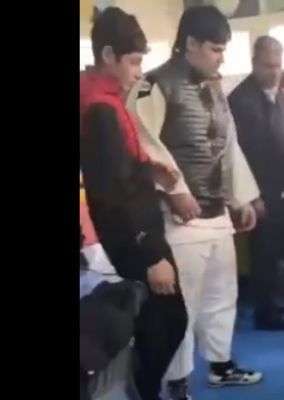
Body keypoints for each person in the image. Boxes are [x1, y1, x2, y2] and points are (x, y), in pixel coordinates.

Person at [130, 6, 263, 397]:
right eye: (215, 49)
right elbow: (142, 142)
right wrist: (176, 190)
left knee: (222, 295)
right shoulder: (155, 85)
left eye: (223, 50)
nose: (221, 58)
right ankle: (177, 382)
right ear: (190, 43)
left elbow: (228, 145)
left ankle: (221, 365)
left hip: (217, 213)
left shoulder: (215, 88)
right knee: (182, 304)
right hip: (180, 218)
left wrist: (241, 198)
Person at [79, 7, 187, 400]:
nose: (139, 72)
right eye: (134, 62)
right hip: (136, 238)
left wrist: (147, 168)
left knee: (163, 323)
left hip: (134, 232)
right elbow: (114, 194)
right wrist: (150, 255)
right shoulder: (100, 110)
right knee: (166, 322)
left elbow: (116, 169)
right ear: (108, 56)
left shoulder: (103, 99)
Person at [228, 36, 284, 330]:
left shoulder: (278, 96)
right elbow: (243, 151)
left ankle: (272, 301)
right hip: (257, 187)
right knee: (261, 251)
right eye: (268, 65)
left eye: (278, 65)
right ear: (254, 63)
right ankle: (264, 311)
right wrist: (251, 195)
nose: (274, 72)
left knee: (273, 248)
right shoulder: (241, 100)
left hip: (278, 184)